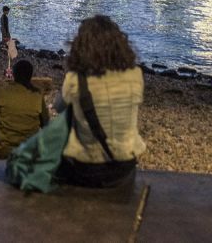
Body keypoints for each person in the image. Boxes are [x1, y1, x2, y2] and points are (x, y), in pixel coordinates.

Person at [55, 15, 145, 189]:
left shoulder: (76, 79)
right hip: (124, 164)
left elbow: (59, 107)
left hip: (86, 166)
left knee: (72, 111)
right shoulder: (136, 75)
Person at [0, 60, 49, 159]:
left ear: (14, 74)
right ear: (30, 76)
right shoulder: (37, 95)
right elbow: (46, 123)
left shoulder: (1, 93)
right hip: (28, 152)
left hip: (3, 150)